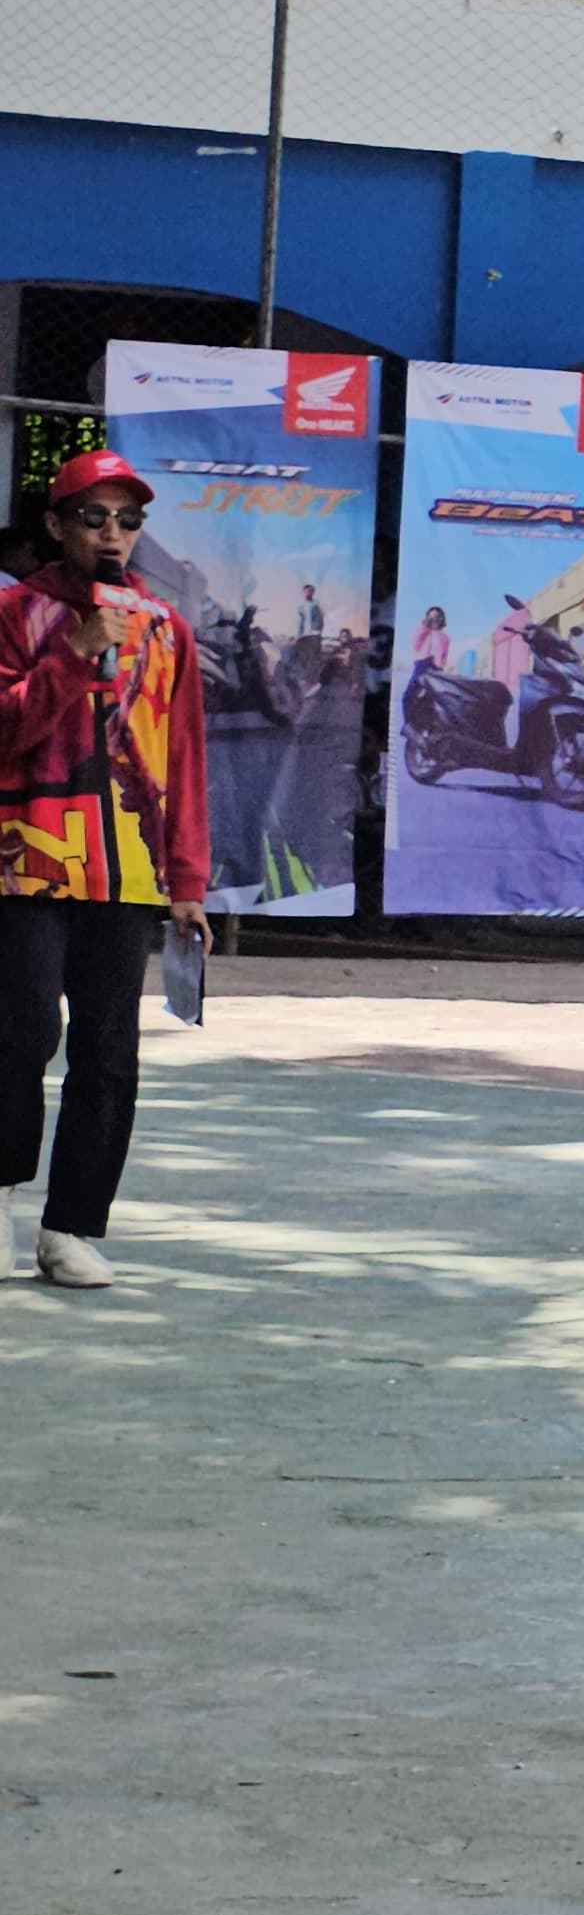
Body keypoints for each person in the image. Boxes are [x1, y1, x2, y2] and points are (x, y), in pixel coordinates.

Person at [0, 454, 210, 1292]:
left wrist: (188, 880)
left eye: (127, 520)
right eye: (94, 517)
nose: (113, 534)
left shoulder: (166, 628)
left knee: (110, 1052)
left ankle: (74, 1227)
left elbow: (184, 757)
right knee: (20, 1037)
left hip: (126, 870)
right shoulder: (18, 614)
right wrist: (76, 652)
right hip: (25, 861)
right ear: (56, 526)